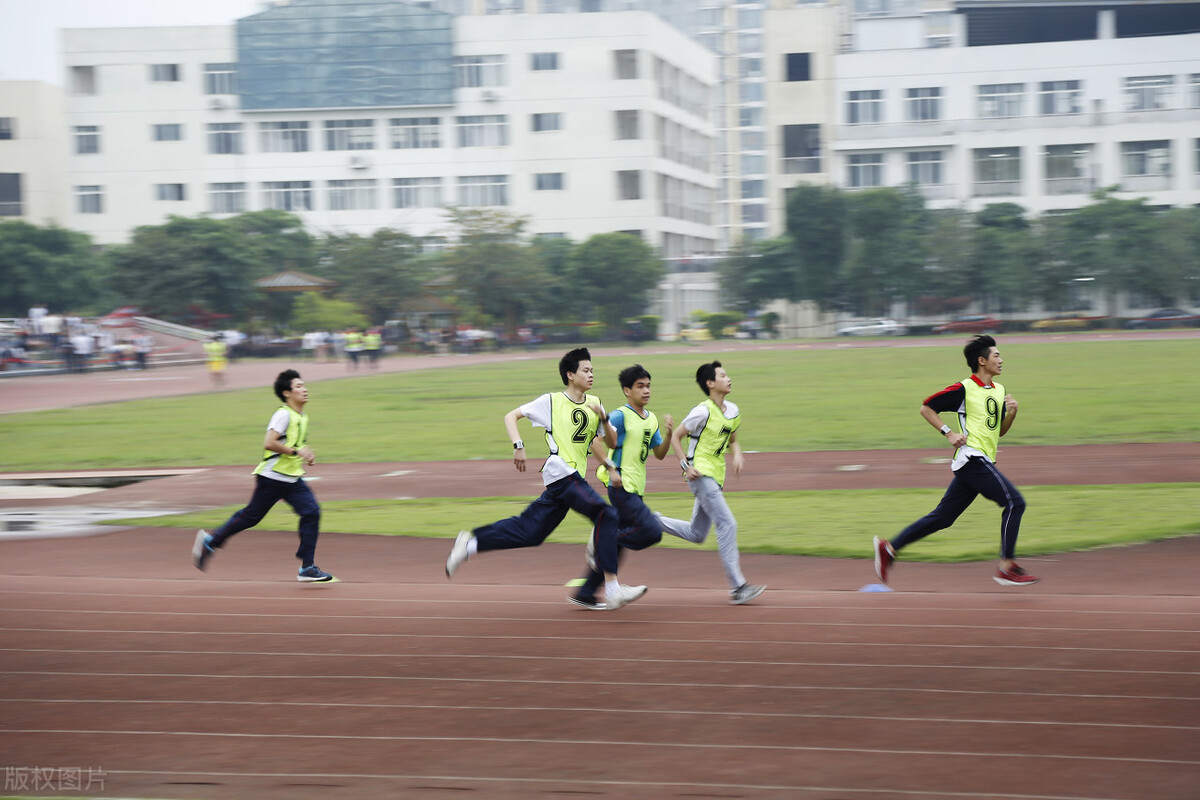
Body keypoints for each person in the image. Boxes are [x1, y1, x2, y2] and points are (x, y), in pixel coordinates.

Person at [444, 347, 647, 611]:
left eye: (592, 370)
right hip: (561, 471)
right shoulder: (551, 401)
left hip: (569, 479)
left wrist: (604, 419)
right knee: (607, 515)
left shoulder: (594, 402)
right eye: (586, 370)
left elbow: (611, 441)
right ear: (570, 375)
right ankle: (611, 589)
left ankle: (469, 545)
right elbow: (511, 416)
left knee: (531, 531)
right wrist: (518, 445)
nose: (591, 374)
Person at [873, 334, 1037, 587]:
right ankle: (1007, 567)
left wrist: (1013, 412)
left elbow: (1000, 431)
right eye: (996, 356)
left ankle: (889, 548)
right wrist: (948, 432)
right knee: (1015, 503)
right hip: (972, 458)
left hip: (982, 462)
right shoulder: (964, 389)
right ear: (982, 361)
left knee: (943, 517)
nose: (1001, 360)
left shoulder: (1000, 391)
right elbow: (926, 408)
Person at [192, 369, 336, 583]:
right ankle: (210, 541)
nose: (304, 389)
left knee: (312, 512)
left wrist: (305, 452)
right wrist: (298, 452)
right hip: (272, 477)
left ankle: (307, 567)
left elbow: (293, 442)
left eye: (304, 385)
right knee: (251, 517)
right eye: (298, 386)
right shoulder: (283, 414)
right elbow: (269, 442)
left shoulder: (301, 416)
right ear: (287, 393)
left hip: (291, 477)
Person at [568, 364, 676, 610]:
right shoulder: (620, 415)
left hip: (636, 488)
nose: (646, 390)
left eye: (648, 385)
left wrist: (668, 435)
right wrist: (611, 469)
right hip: (621, 486)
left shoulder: (651, 419)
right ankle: (602, 538)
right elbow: (595, 442)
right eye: (640, 386)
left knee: (619, 546)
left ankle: (585, 592)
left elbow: (658, 453)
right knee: (651, 532)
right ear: (627, 390)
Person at [659, 361, 766, 605]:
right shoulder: (702, 411)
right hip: (701, 475)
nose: (728, 378)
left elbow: (733, 439)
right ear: (710, 383)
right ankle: (738, 587)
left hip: (717, 477)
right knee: (727, 523)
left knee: (697, 534)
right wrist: (686, 465)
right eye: (723, 375)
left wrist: (737, 453)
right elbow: (676, 436)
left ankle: (651, 520)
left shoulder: (733, 410)